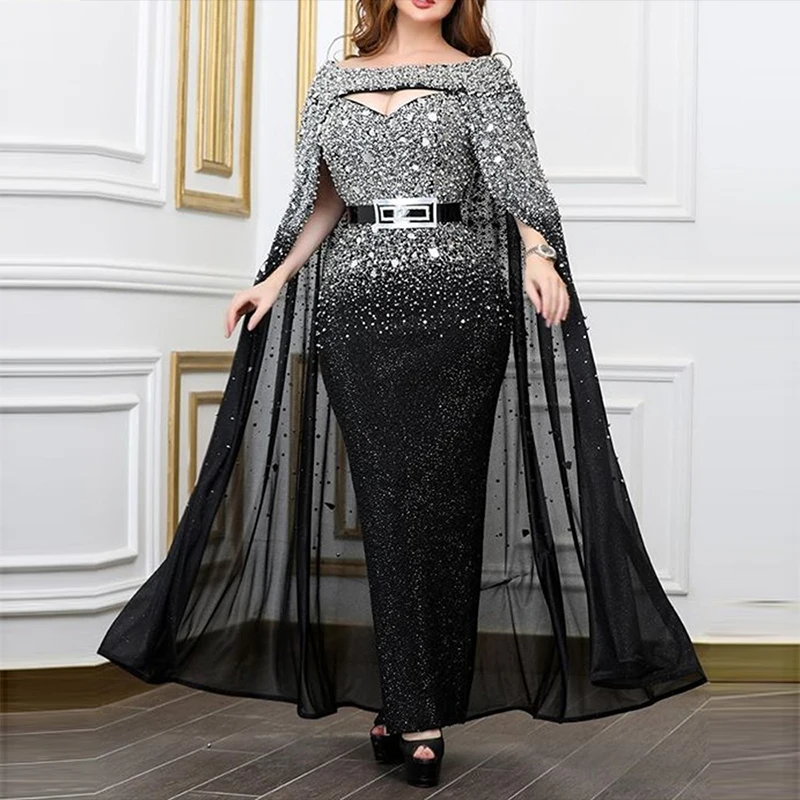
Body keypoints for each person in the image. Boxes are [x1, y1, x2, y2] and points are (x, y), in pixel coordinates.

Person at [98, 0, 707, 789]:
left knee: (444, 507)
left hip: (461, 306)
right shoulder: (331, 82)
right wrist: (273, 280)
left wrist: (539, 255)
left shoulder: (483, 80)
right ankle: (411, 701)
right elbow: (322, 200)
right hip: (356, 307)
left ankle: (415, 706)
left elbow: (520, 186)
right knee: (389, 503)